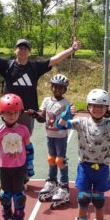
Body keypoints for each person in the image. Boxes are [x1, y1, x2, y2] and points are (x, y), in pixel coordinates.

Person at [0, 36, 81, 135]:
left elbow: (55, 59)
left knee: (25, 139)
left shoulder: (35, 67)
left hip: (28, 112)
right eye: (20, 47)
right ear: (15, 50)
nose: (22, 50)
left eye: (25, 48)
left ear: (29, 51)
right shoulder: (7, 65)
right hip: (10, 110)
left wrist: (72, 49)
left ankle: (25, 165)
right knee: (9, 138)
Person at [57, 89, 110, 220]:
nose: (97, 109)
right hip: (85, 167)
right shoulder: (81, 122)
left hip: (102, 168)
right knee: (83, 198)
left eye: (101, 106)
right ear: (88, 107)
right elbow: (60, 126)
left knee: (99, 199)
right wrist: (65, 115)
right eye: (94, 106)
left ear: (107, 108)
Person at [0, 93, 35, 220]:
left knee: (19, 196)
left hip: (20, 168)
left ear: (20, 113)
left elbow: (29, 149)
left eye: (15, 112)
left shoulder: (24, 130)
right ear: (2, 113)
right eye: (8, 113)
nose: (12, 116)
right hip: (5, 168)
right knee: (5, 196)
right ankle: (7, 218)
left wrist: (30, 167)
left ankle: (18, 219)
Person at [27, 74, 71, 209]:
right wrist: (35, 114)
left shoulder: (66, 103)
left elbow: (69, 119)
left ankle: (64, 184)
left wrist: (69, 114)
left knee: (60, 160)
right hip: (49, 135)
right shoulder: (46, 100)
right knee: (51, 158)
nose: (58, 89)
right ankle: (52, 180)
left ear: (65, 90)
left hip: (61, 137)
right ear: (51, 87)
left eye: (61, 87)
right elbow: (41, 118)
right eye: (55, 86)